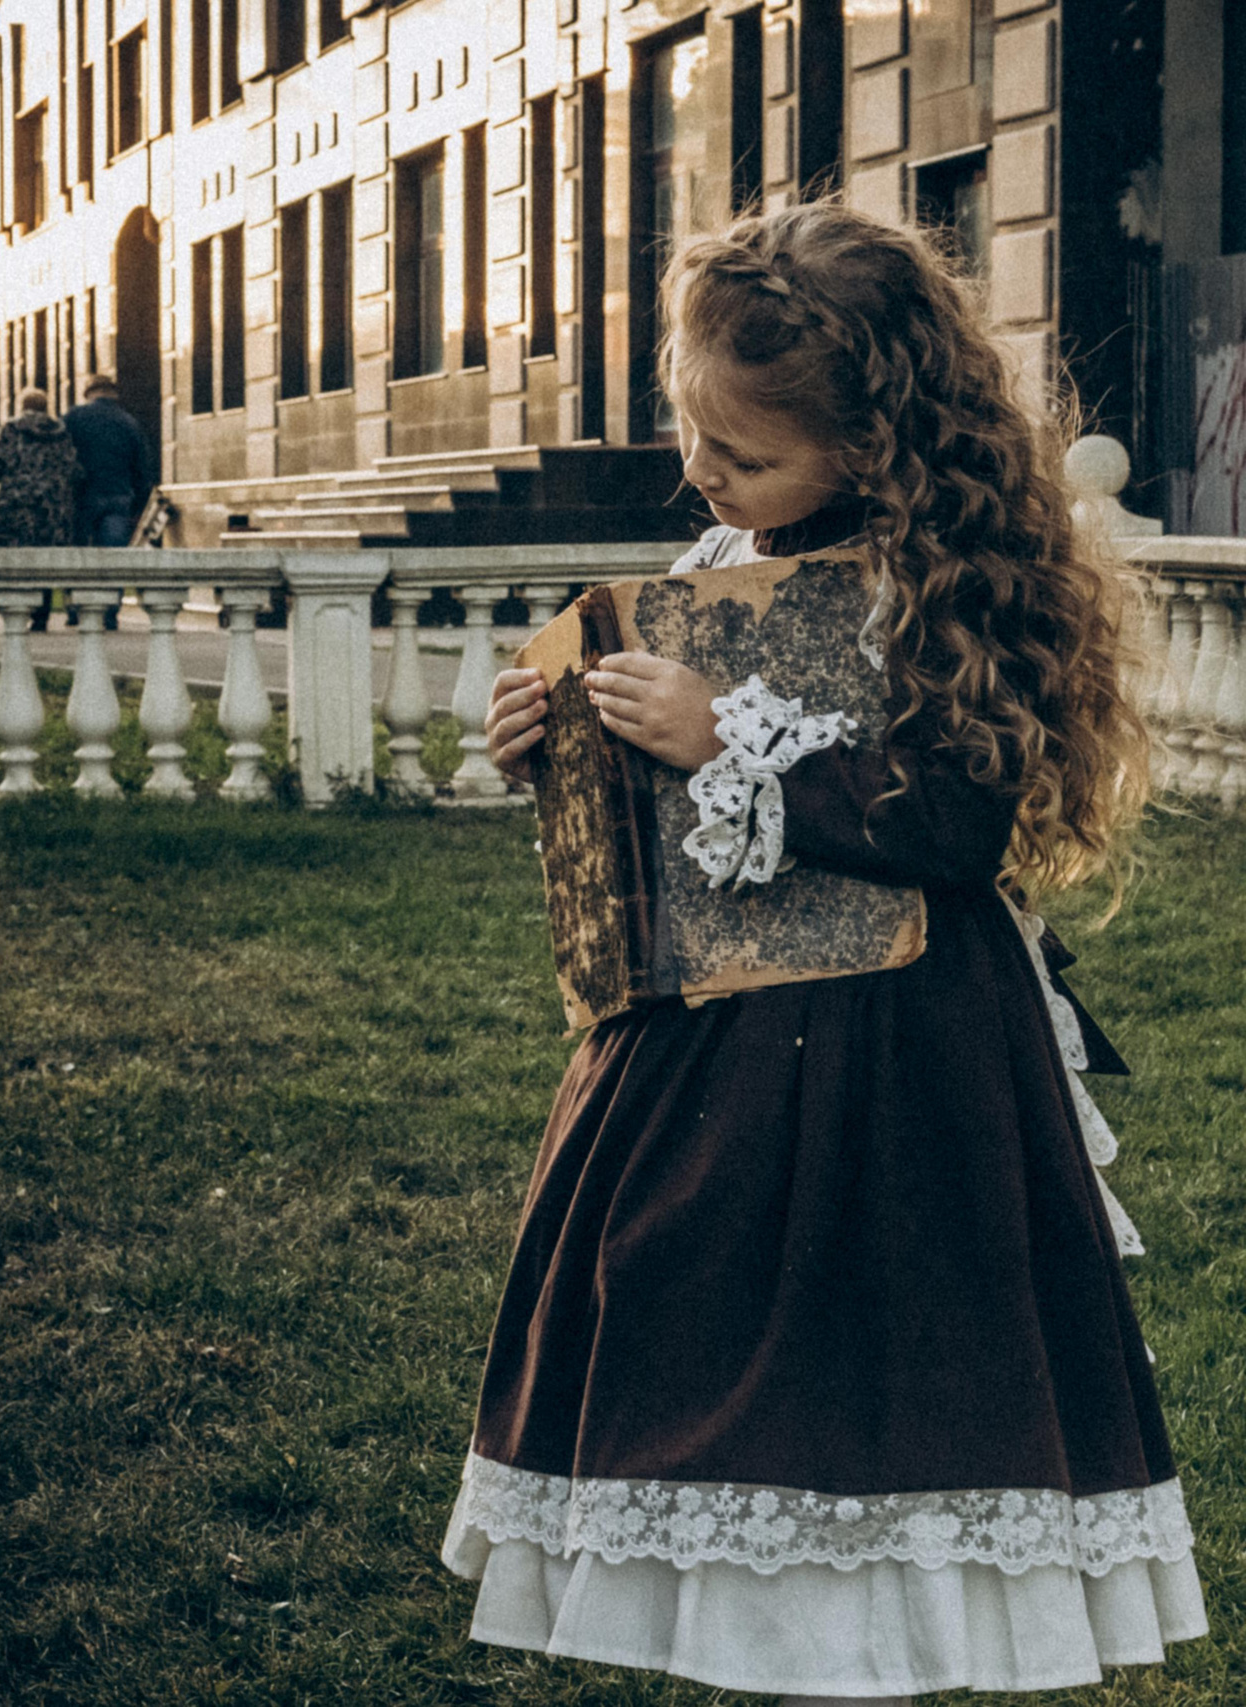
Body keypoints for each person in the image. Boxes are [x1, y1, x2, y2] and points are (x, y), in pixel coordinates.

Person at [453, 199, 1202, 1704]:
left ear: (867, 448)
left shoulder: (952, 580)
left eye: (740, 456)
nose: (704, 478)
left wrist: (729, 738)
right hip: (714, 1035)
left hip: (905, 1042)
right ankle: (750, 1636)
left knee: (884, 1340)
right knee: (689, 1308)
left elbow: (956, 824)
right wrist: (564, 742)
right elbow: (684, 817)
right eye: (696, 440)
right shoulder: (737, 557)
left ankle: (860, 1652)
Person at [0, 388, 81, 550]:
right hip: (53, 505)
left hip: (15, 503)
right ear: (46, 407)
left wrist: (11, 480)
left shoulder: (11, 429)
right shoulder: (61, 433)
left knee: (9, 554)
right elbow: (73, 468)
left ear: (23, 407)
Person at [62, 373, 156, 549]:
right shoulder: (129, 423)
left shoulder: (73, 418)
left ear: (89, 394)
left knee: (79, 555)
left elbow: (59, 455)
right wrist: (139, 506)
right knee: (113, 557)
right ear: (114, 394)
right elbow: (141, 469)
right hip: (118, 497)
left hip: (82, 497)